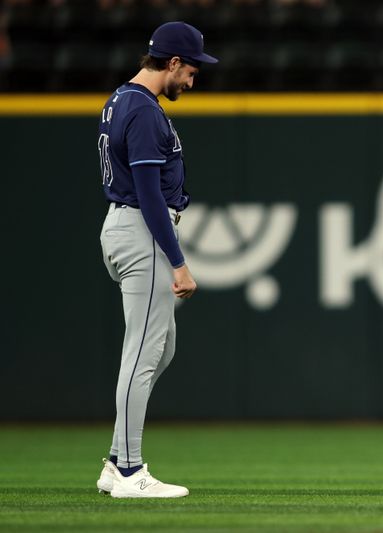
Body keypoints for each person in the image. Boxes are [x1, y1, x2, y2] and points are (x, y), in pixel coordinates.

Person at [94, 21, 217, 498]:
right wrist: (179, 261)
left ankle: (114, 460)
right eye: (190, 70)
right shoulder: (144, 111)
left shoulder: (120, 99)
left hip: (126, 226)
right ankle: (128, 469)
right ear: (171, 63)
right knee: (143, 353)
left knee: (158, 349)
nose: (192, 79)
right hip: (141, 231)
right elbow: (148, 192)